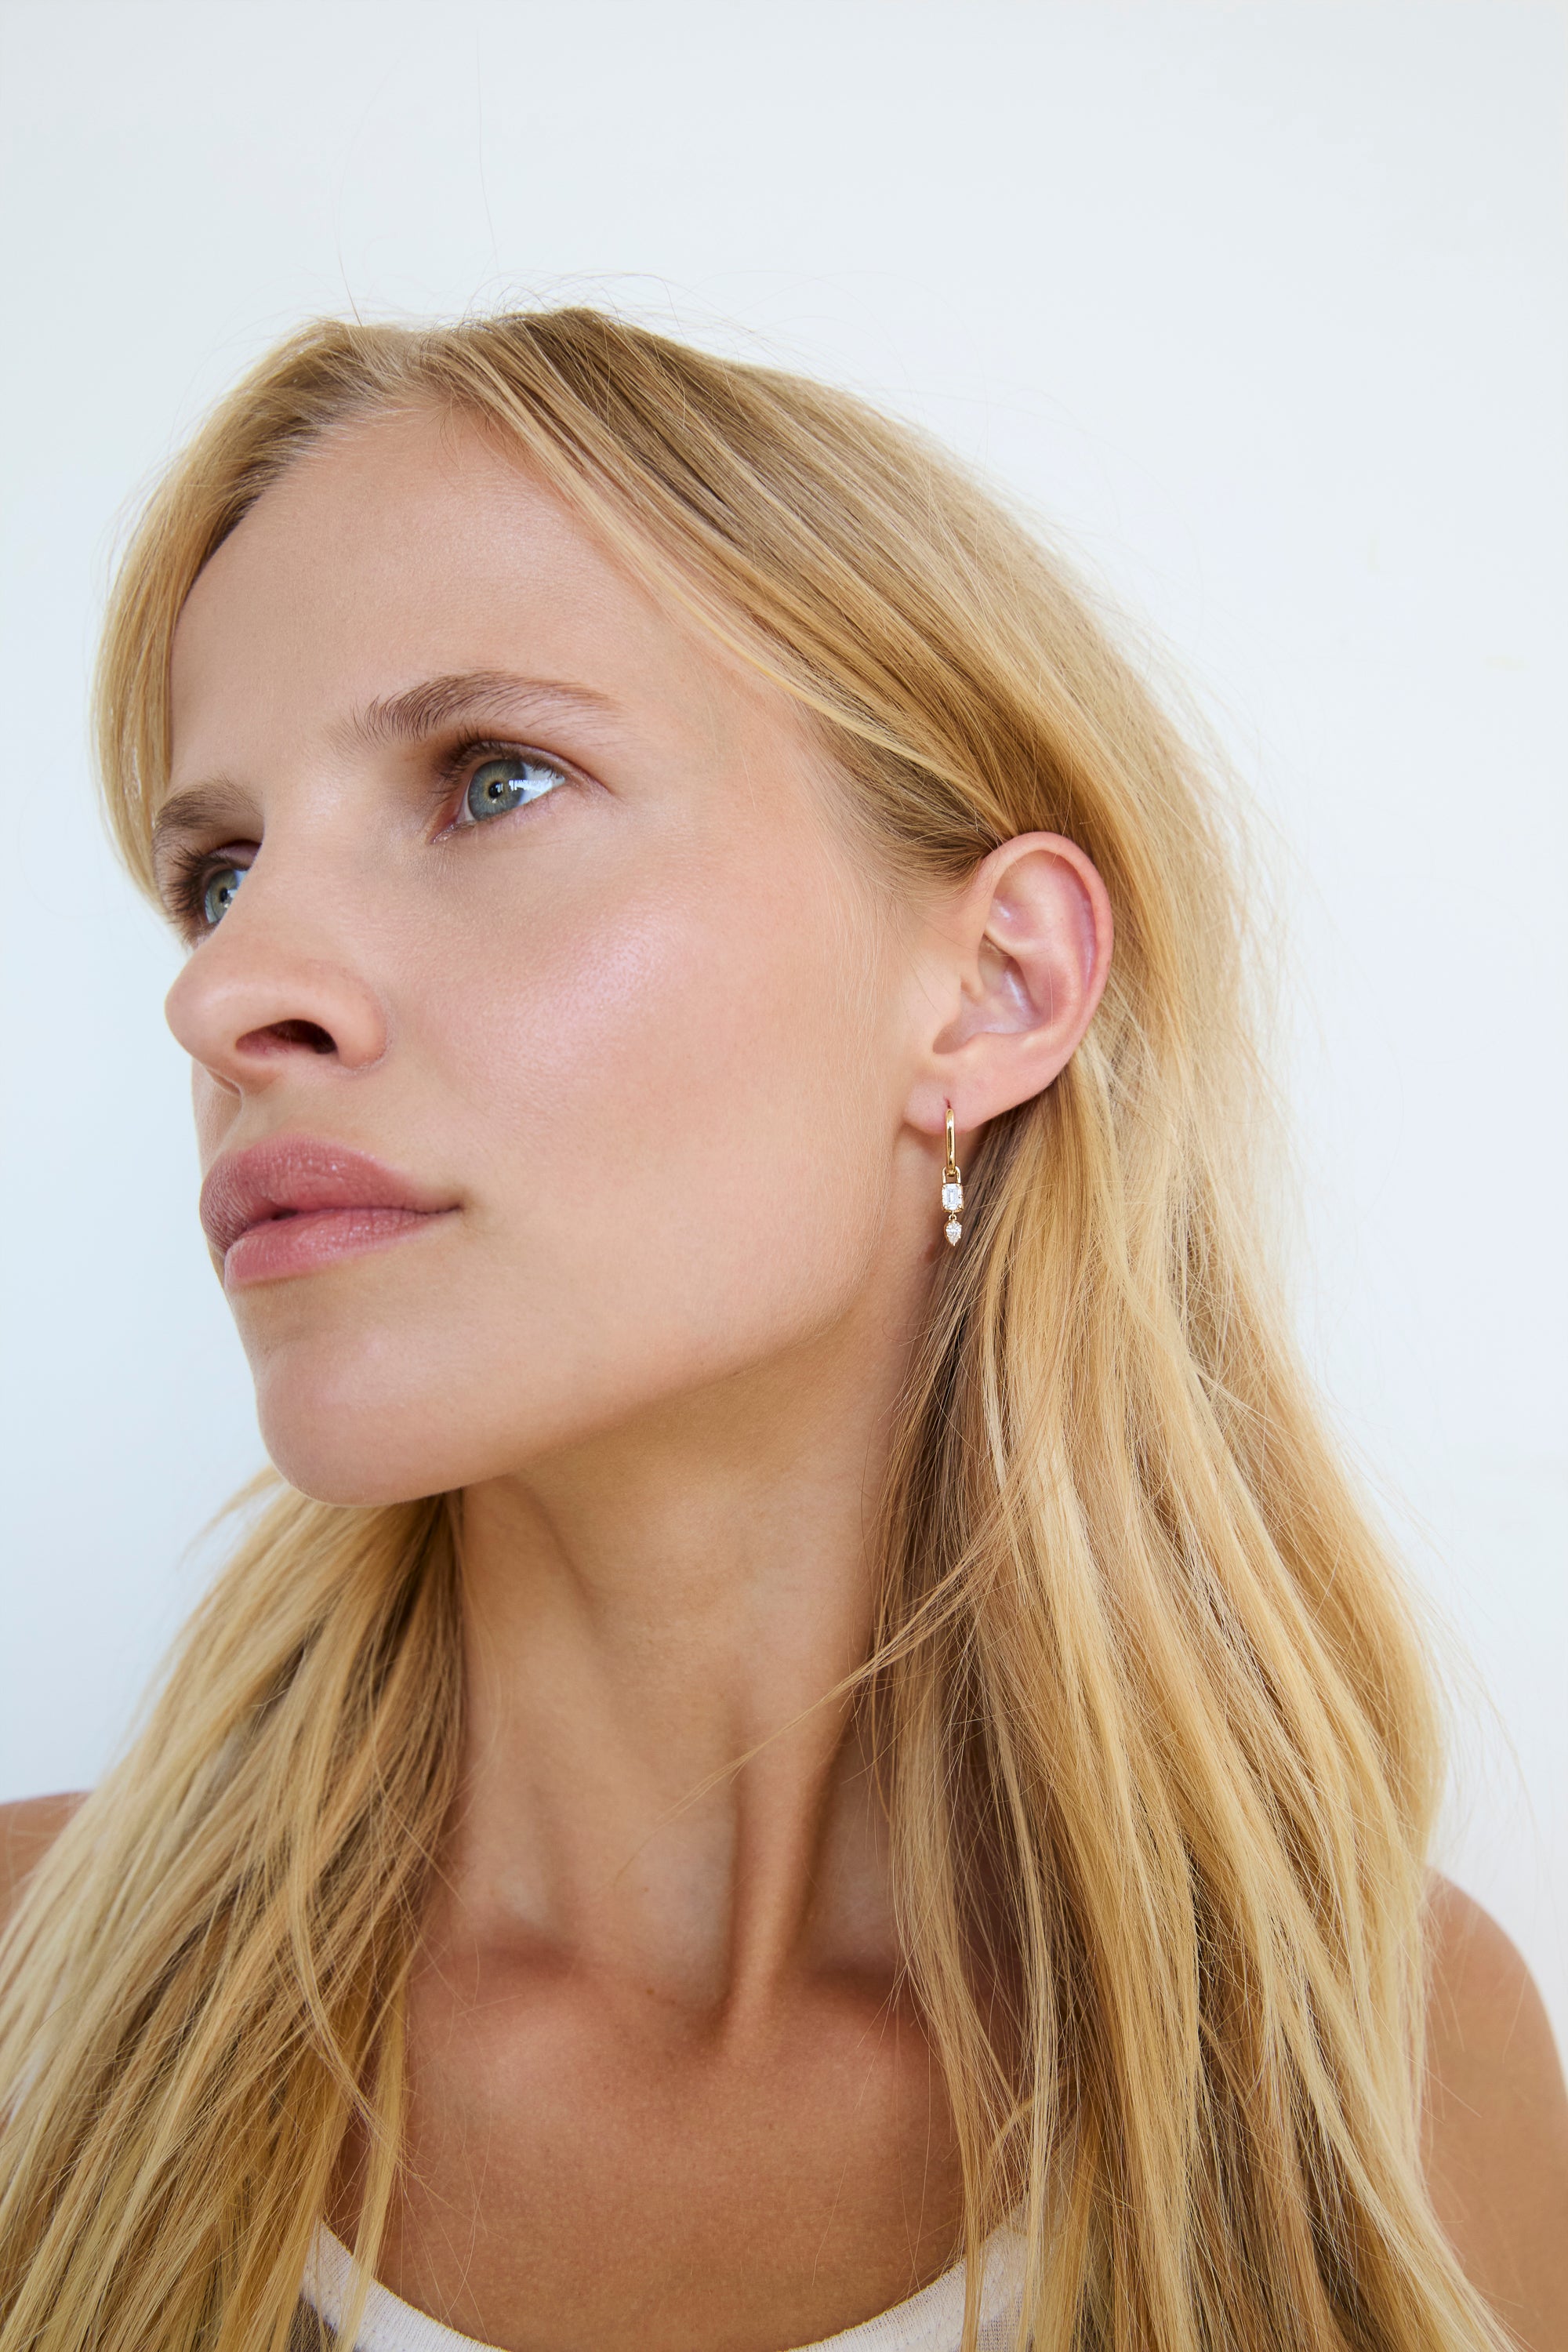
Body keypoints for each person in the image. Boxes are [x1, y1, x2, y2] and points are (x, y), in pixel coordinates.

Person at [0, 309, 1563, 2352]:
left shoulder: (1388, 2086)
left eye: (493, 779)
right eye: (219, 874)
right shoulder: (29, 2002)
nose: (224, 994)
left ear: (994, 988)